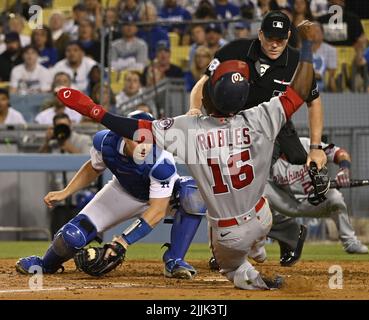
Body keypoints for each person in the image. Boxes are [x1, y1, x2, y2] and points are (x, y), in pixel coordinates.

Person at [57, 20, 318, 290]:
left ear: (209, 98)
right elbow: (300, 89)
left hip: (228, 234)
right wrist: (307, 45)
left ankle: (247, 269)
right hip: (261, 216)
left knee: (231, 264)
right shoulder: (263, 116)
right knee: (256, 204)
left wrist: (93, 110)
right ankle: (259, 248)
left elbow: (135, 129)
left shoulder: (188, 129)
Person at [188, 11, 326, 266]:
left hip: (272, 130)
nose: (275, 44)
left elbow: (313, 101)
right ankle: (286, 232)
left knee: (242, 185)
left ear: (287, 38)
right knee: (230, 189)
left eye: (281, 39)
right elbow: (202, 82)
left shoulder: (297, 61)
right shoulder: (235, 50)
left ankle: (234, 250)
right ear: (260, 34)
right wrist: (195, 109)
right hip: (231, 127)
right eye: (270, 38)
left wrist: (316, 147)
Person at [16, 111, 206, 280]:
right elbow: (93, 168)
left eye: (149, 139)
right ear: (123, 135)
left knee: (192, 194)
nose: (144, 146)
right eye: (138, 139)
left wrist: (123, 242)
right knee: (70, 237)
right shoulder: (105, 142)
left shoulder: (161, 162)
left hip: (162, 199)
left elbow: (156, 211)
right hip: (122, 191)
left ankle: (175, 260)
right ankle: (46, 264)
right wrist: (66, 191)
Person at [265, 137, 369, 254]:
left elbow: (340, 153)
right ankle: (270, 240)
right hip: (286, 204)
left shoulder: (307, 145)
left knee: (335, 197)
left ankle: (350, 242)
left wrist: (344, 169)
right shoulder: (268, 156)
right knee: (259, 190)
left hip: (315, 201)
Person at [312, 23, 337, 92]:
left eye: (317, 32)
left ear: (322, 35)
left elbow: (331, 73)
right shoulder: (302, 49)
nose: (314, 34)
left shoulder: (331, 50)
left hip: (321, 81)